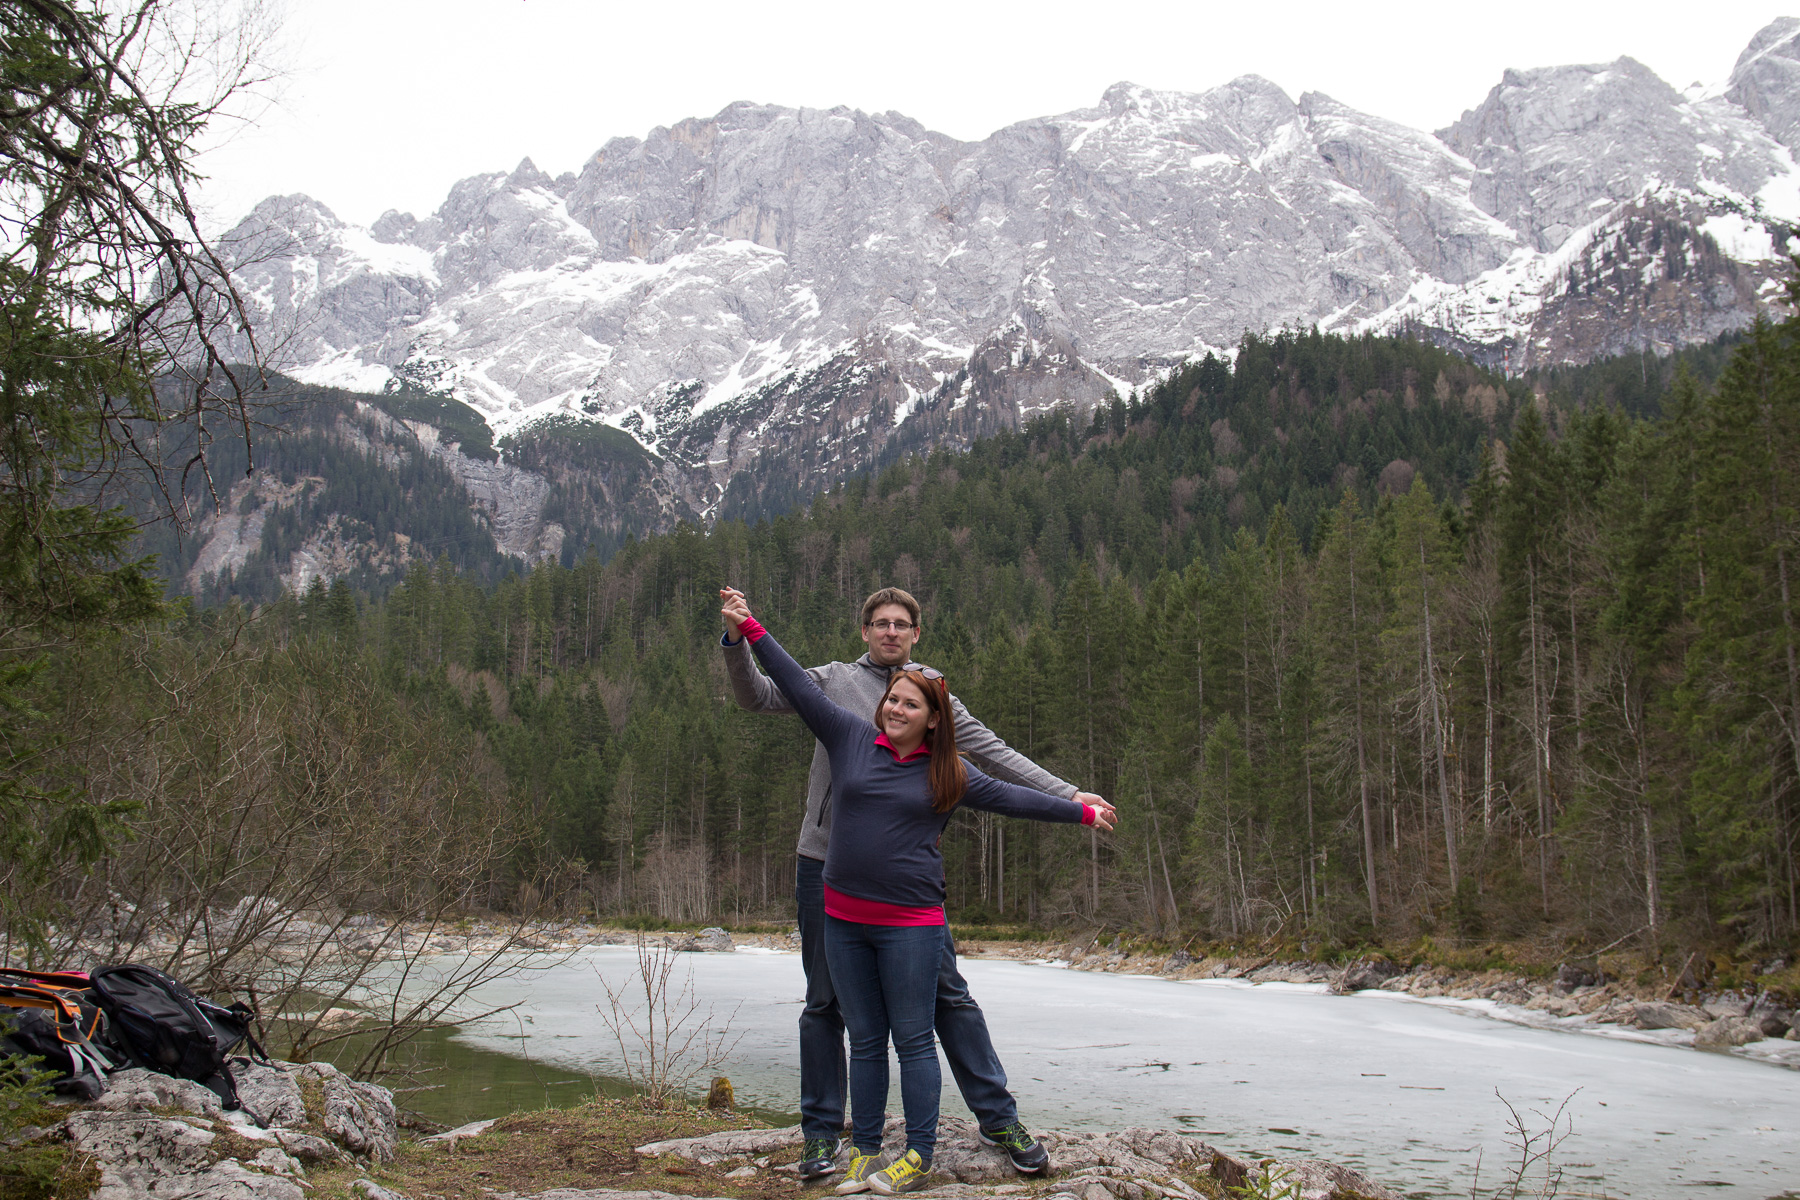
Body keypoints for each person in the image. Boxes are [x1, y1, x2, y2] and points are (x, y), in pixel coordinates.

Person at [721, 588, 1116, 1194]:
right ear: (864, 631)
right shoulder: (833, 683)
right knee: (825, 1003)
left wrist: (1067, 795)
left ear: (915, 633)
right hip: (825, 868)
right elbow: (761, 694)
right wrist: (737, 639)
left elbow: (995, 760)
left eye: (900, 624)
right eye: (879, 622)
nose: (890, 631)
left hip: (905, 893)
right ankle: (822, 1134)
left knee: (949, 998)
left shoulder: (936, 696)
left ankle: (997, 1119)